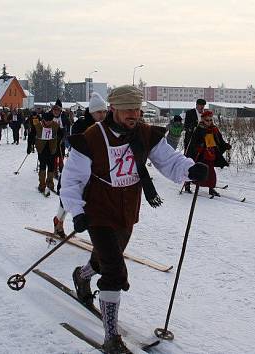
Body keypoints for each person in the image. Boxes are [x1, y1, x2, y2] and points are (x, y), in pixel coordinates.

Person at [60, 85, 208, 353]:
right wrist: (77, 211)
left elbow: (169, 160)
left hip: (127, 210)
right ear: (113, 109)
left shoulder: (143, 133)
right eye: (128, 109)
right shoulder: (91, 138)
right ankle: (111, 337)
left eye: (137, 109)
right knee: (115, 272)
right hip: (99, 211)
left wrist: (190, 170)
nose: (134, 114)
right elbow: (71, 181)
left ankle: (82, 276)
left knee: (104, 260)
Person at [54, 93, 108, 237]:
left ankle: (98, 237)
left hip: (96, 171)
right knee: (68, 198)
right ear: (92, 112)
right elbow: (77, 143)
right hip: (77, 168)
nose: (102, 115)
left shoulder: (106, 126)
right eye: (99, 112)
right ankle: (58, 222)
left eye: (104, 111)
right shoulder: (82, 124)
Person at [185, 110, 231, 196]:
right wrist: (199, 146)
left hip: (211, 153)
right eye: (207, 120)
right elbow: (193, 142)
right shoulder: (199, 129)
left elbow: (219, 140)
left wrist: (225, 145)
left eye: (210, 120)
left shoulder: (214, 129)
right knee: (196, 171)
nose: (209, 122)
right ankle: (187, 184)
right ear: (202, 120)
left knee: (211, 172)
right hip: (200, 154)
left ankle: (211, 188)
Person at [28, 108, 61, 194]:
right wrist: (29, 146)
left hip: (52, 149)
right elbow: (31, 135)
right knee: (42, 166)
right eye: (47, 121)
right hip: (42, 149)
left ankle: (50, 183)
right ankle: (42, 184)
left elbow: (61, 133)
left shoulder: (55, 125)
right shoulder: (38, 125)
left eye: (50, 121)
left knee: (51, 167)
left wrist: (60, 139)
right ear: (43, 120)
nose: (49, 123)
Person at [182, 98, 206, 192]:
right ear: (196, 105)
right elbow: (186, 126)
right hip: (190, 142)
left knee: (200, 162)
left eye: (203, 106)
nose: (201, 107)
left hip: (201, 142)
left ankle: (197, 182)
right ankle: (187, 184)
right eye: (200, 105)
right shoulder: (190, 113)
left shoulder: (205, 114)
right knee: (189, 162)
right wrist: (194, 125)